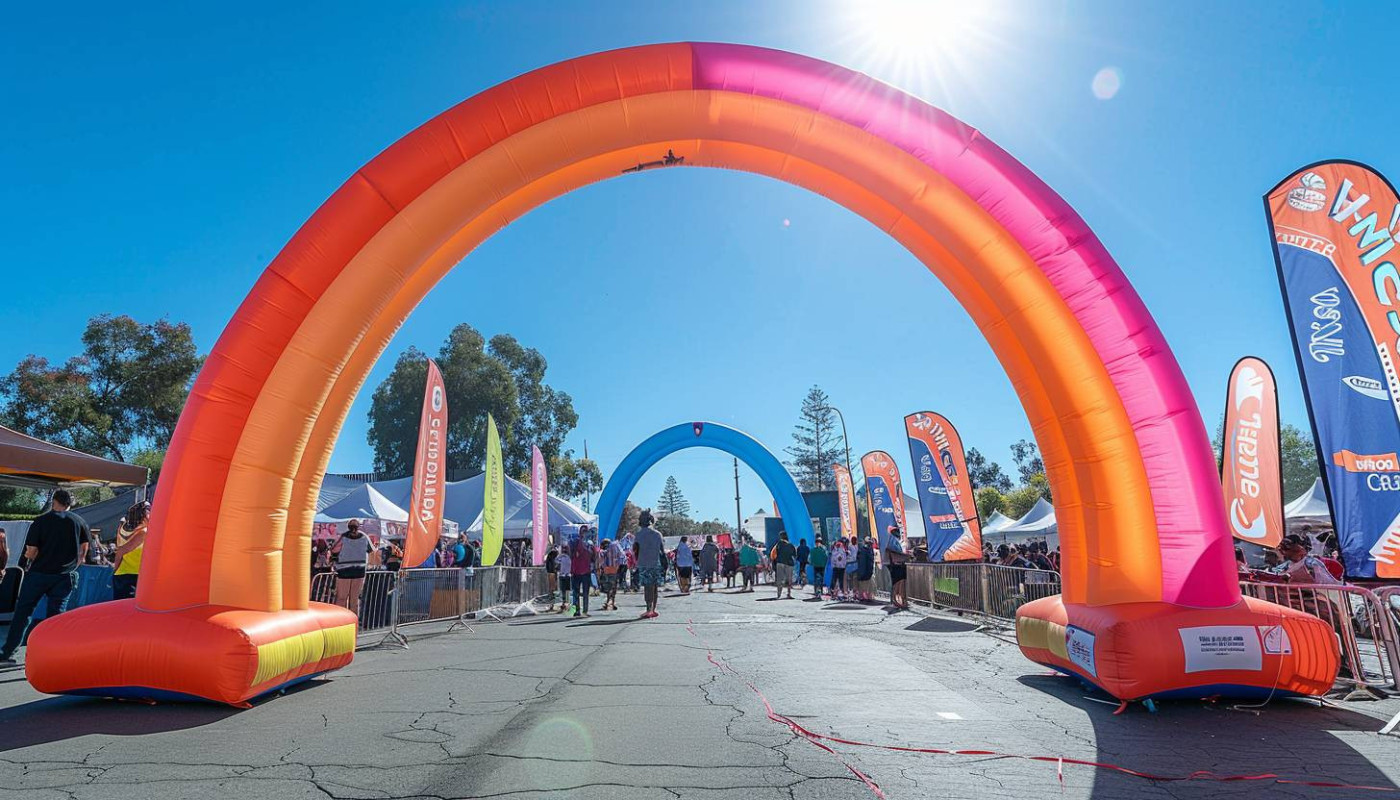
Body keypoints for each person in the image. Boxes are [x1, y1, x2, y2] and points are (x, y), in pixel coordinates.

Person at [1, 490, 88, 665]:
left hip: (40, 573)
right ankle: (51, 654)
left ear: (54, 501)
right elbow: (84, 549)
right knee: (56, 617)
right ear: (70, 503)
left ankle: (8, 652)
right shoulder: (80, 522)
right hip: (64, 576)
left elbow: (32, 551)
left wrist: (30, 557)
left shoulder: (41, 521)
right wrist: (73, 565)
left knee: (24, 611)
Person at [331, 520, 374, 617]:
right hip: (359, 570)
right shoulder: (364, 537)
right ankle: (353, 621)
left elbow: (334, 549)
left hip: (344, 569)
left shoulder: (343, 537)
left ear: (348, 526)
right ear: (359, 527)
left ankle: (340, 620)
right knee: (354, 599)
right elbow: (371, 550)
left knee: (342, 598)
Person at [112, 501, 150, 600]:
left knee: (121, 608)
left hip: (122, 573)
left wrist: (115, 569)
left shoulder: (122, 526)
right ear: (144, 515)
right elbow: (121, 551)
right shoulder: (143, 532)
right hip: (135, 575)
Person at [634, 510, 666, 618]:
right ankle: (653, 609)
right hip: (656, 563)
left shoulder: (638, 535)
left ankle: (648, 609)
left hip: (644, 563)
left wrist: (636, 562)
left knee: (648, 587)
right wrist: (665, 565)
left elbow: (636, 550)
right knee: (655, 586)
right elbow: (662, 552)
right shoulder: (658, 534)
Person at [884, 526, 910, 609]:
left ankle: (899, 599)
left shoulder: (896, 540)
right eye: (895, 530)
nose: (897, 531)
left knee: (901, 581)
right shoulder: (890, 539)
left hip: (900, 563)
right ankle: (896, 599)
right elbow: (894, 550)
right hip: (895, 563)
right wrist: (904, 554)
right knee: (897, 582)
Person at [570, 533, 595, 617]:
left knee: (576, 593)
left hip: (576, 572)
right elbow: (593, 557)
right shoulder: (589, 545)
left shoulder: (573, 545)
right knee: (585, 593)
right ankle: (584, 611)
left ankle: (577, 610)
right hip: (585, 572)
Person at [598, 537, 624, 611]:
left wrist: (602, 568)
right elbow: (622, 557)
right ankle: (611, 602)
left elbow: (601, 561)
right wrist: (618, 566)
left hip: (606, 571)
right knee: (613, 587)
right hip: (614, 570)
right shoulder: (616, 548)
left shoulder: (603, 551)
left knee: (608, 587)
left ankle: (609, 602)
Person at [771, 532, 797, 599]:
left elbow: (773, 554)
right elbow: (794, 555)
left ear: (781, 537)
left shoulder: (778, 545)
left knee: (780, 579)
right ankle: (789, 593)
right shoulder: (791, 545)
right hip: (789, 563)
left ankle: (779, 594)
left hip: (780, 563)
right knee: (789, 579)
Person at [855, 537, 876, 602]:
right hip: (866, 569)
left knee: (866, 583)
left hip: (865, 570)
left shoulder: (863, 550)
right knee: (865, 583)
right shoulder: (865, 550)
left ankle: (865, 595)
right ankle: (863, 595)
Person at [557, 545, 573, 615]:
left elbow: (556, 561)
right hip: (565, 575)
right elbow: (556, 561)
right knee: (565, 590)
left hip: (566, 575)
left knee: (566, 590)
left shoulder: (567, 557)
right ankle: (565, 603)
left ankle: (566, 603)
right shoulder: (566, 557)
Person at [544, 544, 560, 611]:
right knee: (553, 588)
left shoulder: (550, 555)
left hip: (550, 572)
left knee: (552, 588)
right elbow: (554, 564)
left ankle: (552, 603)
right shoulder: (553, 555)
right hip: (552, 573)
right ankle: (552, 603)